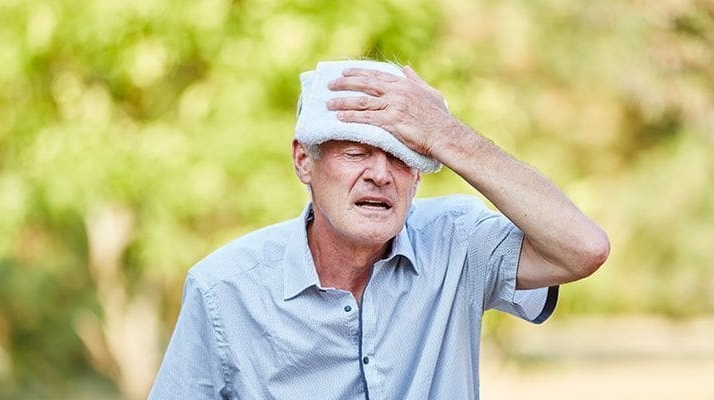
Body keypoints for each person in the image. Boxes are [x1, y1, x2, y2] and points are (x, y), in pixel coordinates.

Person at [149, 60, 609, 399]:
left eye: (403, 154)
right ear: (303, 160)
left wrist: (445, 135)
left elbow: (584, 248)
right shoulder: (223, 290)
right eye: (355, 153)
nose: (380, 174)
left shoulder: (458, 242)